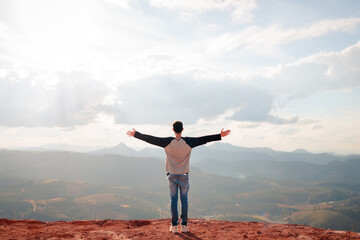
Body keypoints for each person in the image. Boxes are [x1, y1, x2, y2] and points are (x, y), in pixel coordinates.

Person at [127, 121, 231, 233]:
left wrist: (136, 134)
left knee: (173, 201)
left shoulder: (167, 142)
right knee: (184, 200)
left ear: (173, 130)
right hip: (184, 176)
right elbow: (204, 139)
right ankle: (185, 226)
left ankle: (174, 226)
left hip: (172, 175)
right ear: (182, 129)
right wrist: (220, 135)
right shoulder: (189, 142)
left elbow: (151, 139)